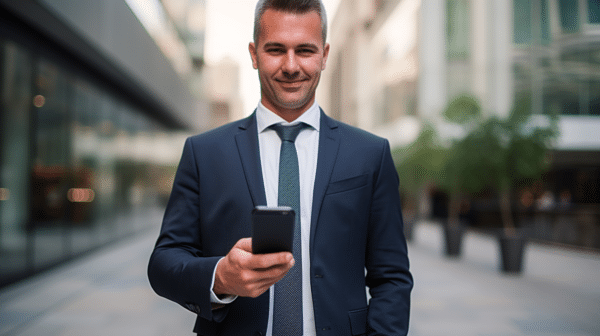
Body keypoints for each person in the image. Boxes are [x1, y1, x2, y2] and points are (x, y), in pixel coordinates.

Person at [147, 0, 413, 335]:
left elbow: (391, 277)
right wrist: (221, 276)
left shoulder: (370, 154)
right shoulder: (204, 153)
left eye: (305, 50)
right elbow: (163, 263)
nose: (290, 66)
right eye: (275, 49)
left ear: (325, 55)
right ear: (254, 54)